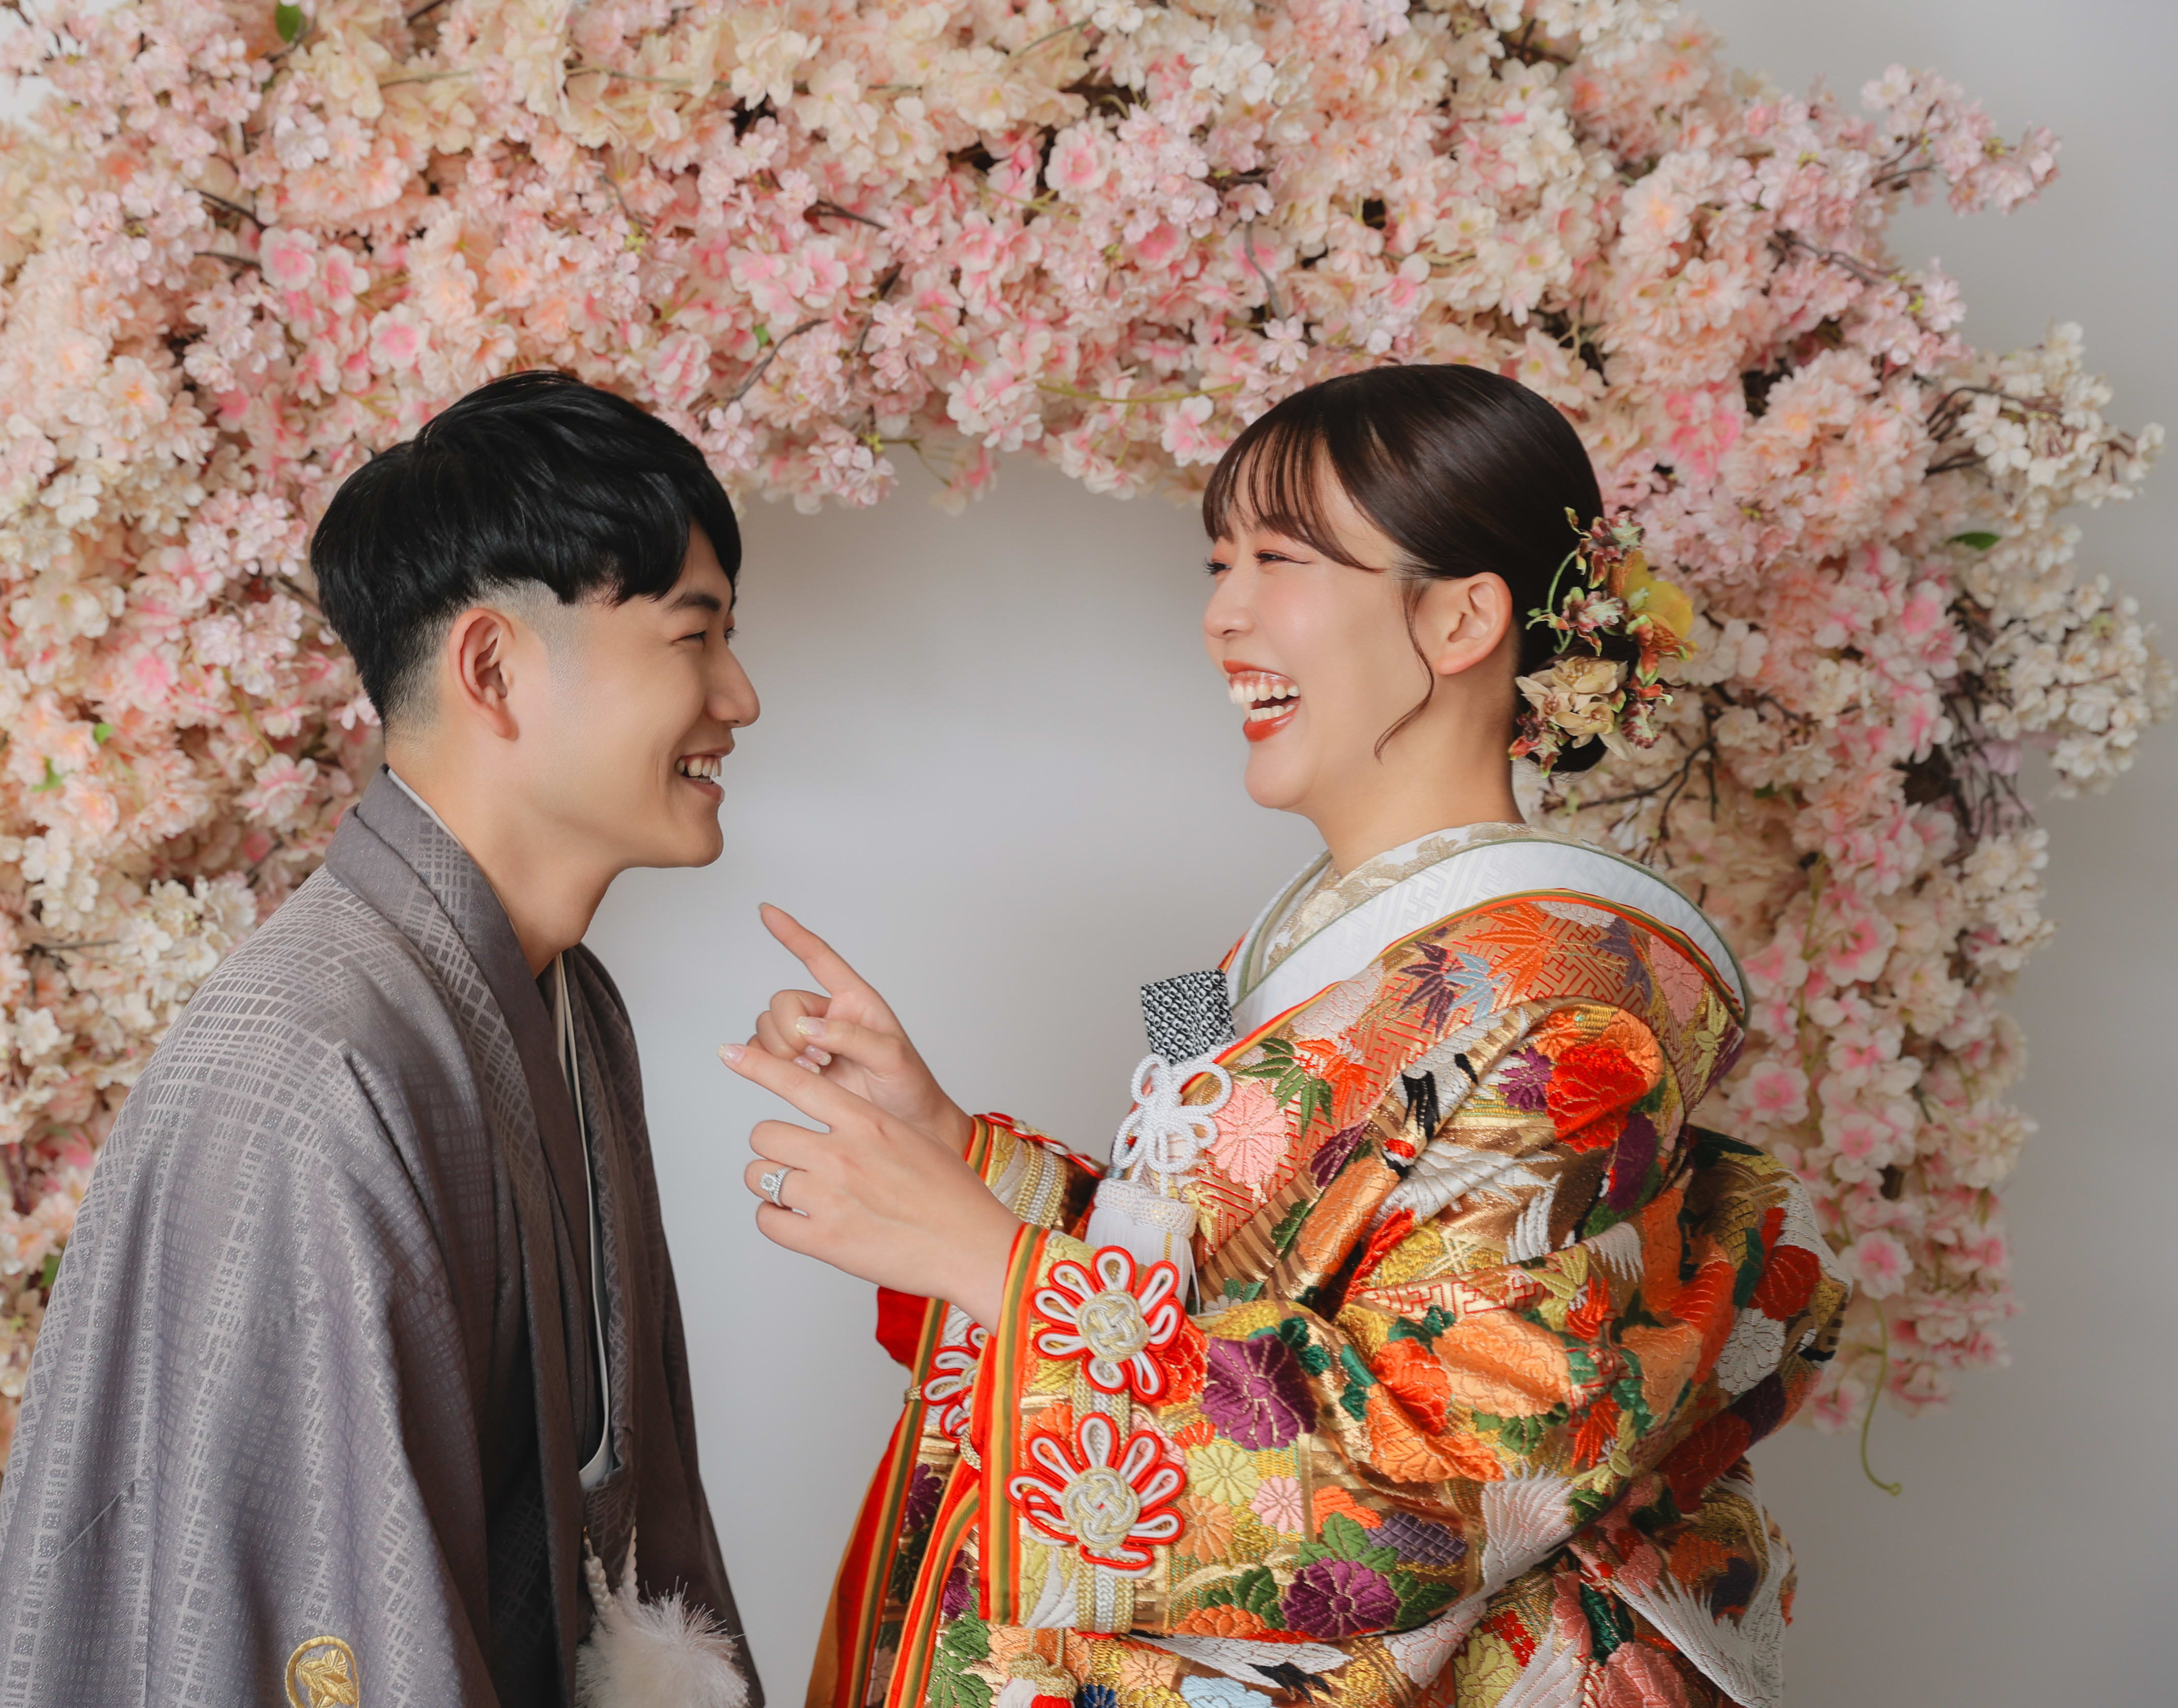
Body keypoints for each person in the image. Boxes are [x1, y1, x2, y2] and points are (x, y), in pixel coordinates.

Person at [722, 366, 1847, 1708]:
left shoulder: (1568, 1004)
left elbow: (1450, 1474)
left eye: (1281, 560)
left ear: (1463, 616)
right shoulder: (1272, 943)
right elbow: (1181, 1246)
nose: (1221, 615)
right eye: (1218, 564)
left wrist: (990, 1264)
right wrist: (954, 1148)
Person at [0, 373, 763, 1708]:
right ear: (493, 669)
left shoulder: (575, 1007)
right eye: (695, 636)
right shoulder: (315, 1069)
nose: (741, 696)